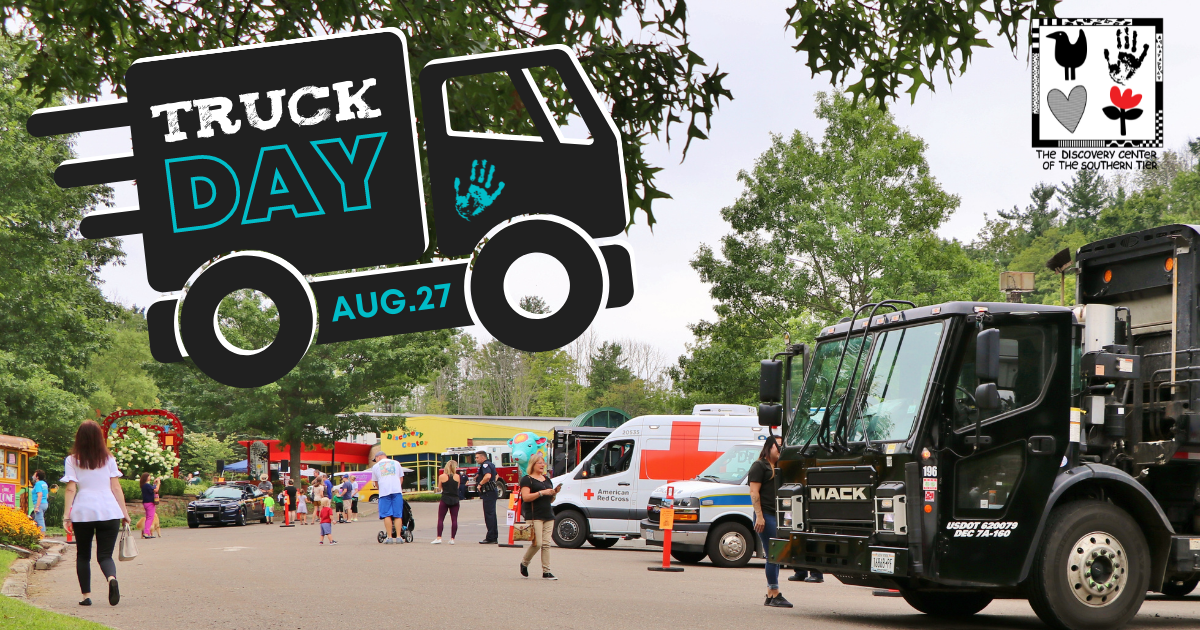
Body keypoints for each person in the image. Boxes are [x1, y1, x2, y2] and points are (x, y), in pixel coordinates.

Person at [62, 420, 130, 607]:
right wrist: (124, 513)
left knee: (83, 555)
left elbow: (70, 489)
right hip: (109, 510)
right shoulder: (109, 459)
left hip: (83, 512)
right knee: (105, 556)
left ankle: (86, 596)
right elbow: (116, 487)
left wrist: (66, 516)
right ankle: (111, 578)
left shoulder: (72, 460)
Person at [750, 435, 791, 608]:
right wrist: (760, 516)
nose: (781, 450)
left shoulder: (779, 466)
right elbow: (754, 492)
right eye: (779, 446)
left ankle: (770, 594)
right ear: (769, 447)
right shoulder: (759, 465)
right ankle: (775, 593)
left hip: (778, 516)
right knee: (774, 554)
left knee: (775, 554)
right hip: (766, 515)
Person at [518, 452, 559, 580]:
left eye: (543, 463)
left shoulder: (547, 480)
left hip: (548, 514)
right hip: (534, 515)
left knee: (547, 544)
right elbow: (526, 497)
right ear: (533, 464)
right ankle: (524, 563)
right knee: (538, 543)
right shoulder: (527, 479)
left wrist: (553, 493)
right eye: (539, 462)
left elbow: (550, 500)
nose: (542, 465)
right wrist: (542, 493)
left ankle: (546, 571)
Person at [370, 451, 406, 544]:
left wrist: (380, 488)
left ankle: (389, 537)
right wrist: (398, 486)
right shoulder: (396, 463)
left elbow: (376, 482)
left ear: (378, 457)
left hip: (384, 492)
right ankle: (398, 537)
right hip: (396, 491)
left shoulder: (375, 466)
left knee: (387, 515)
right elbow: (401, 478)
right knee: (398, 514)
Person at [433, 461, 460, 544]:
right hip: (455, 499)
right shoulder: (457, 476)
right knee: (454, 519)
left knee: (441, 519)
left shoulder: (441, 476)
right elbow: (457, 487)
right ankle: (452, 539)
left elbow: (439, 488)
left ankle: (439, 537)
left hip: (445, 498)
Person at [474, 451, 499, 544]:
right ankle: (493, 536)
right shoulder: (490, 464)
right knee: (491, 514)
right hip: (491, 491)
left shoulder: (485, 465)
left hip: (488, 492)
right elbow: (496, 475)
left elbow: (488, 476)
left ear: (482, 457)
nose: (476, 459)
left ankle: (491, 537)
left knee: (489, 515)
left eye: (477, 457)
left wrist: (480, 484)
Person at [139, 472, 159, 539]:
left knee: (148, 517)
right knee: (150, 518)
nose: (150, 477)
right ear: (146, 477)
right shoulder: (146, 485)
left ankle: (148, 532)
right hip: (150, 503)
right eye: (149, 476)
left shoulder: (145, 485)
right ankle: (146, 532)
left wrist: (155, 484)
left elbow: (152, 488)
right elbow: (156, 490)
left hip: (146, 503)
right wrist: (158, 483)